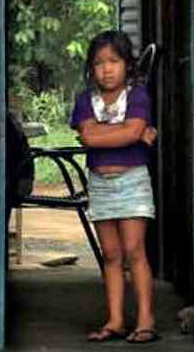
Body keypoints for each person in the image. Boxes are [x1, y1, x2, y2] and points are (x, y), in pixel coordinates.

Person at [69, 30, 161, 344]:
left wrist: (113, 134)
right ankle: (116, 320)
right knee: (110, 254)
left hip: (132, 180)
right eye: (99, 63)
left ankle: (146, 320)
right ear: (91, 69)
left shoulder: (137, 96)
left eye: (114, 61)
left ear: (127, 65)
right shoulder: (85, 100)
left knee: (135, 251)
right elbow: (94, 136)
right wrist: (127, 132)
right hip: (101, 184)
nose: (107, 69)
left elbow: (125, 133)